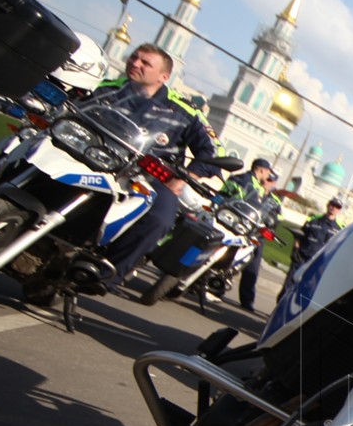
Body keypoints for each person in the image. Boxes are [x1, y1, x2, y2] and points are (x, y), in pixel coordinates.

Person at [94, 44, 226, 290]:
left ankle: (105, 276)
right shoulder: (106, 89)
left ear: (164, 76)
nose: (135, 63)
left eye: (145, 63)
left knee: (160, 219)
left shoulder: (184, 110)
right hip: (92, 157)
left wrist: (183, 179)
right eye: (134, 57)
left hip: (147, 179)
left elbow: (214, 151)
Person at [216, 158, 282, 312]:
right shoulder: (252, 186)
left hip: (257, 235)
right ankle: (217, 288)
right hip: (239, 227)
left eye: (271, 180)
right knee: (228, 258)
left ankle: (247, 300)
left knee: (252, 268)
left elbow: (277, 220)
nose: (268, 182)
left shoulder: (274, 200)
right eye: (268, 178)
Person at [276, 198, 347, 305]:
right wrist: (295, 251)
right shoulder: (313, 219)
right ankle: (279, 308)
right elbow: (299, 235)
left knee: (307, 290)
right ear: (328, 205)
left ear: (339, 210)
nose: (333, 208)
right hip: (302, 257)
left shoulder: (340, 228)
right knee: (289, 285)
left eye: (337, 207)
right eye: (332, 205)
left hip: (318, 263)